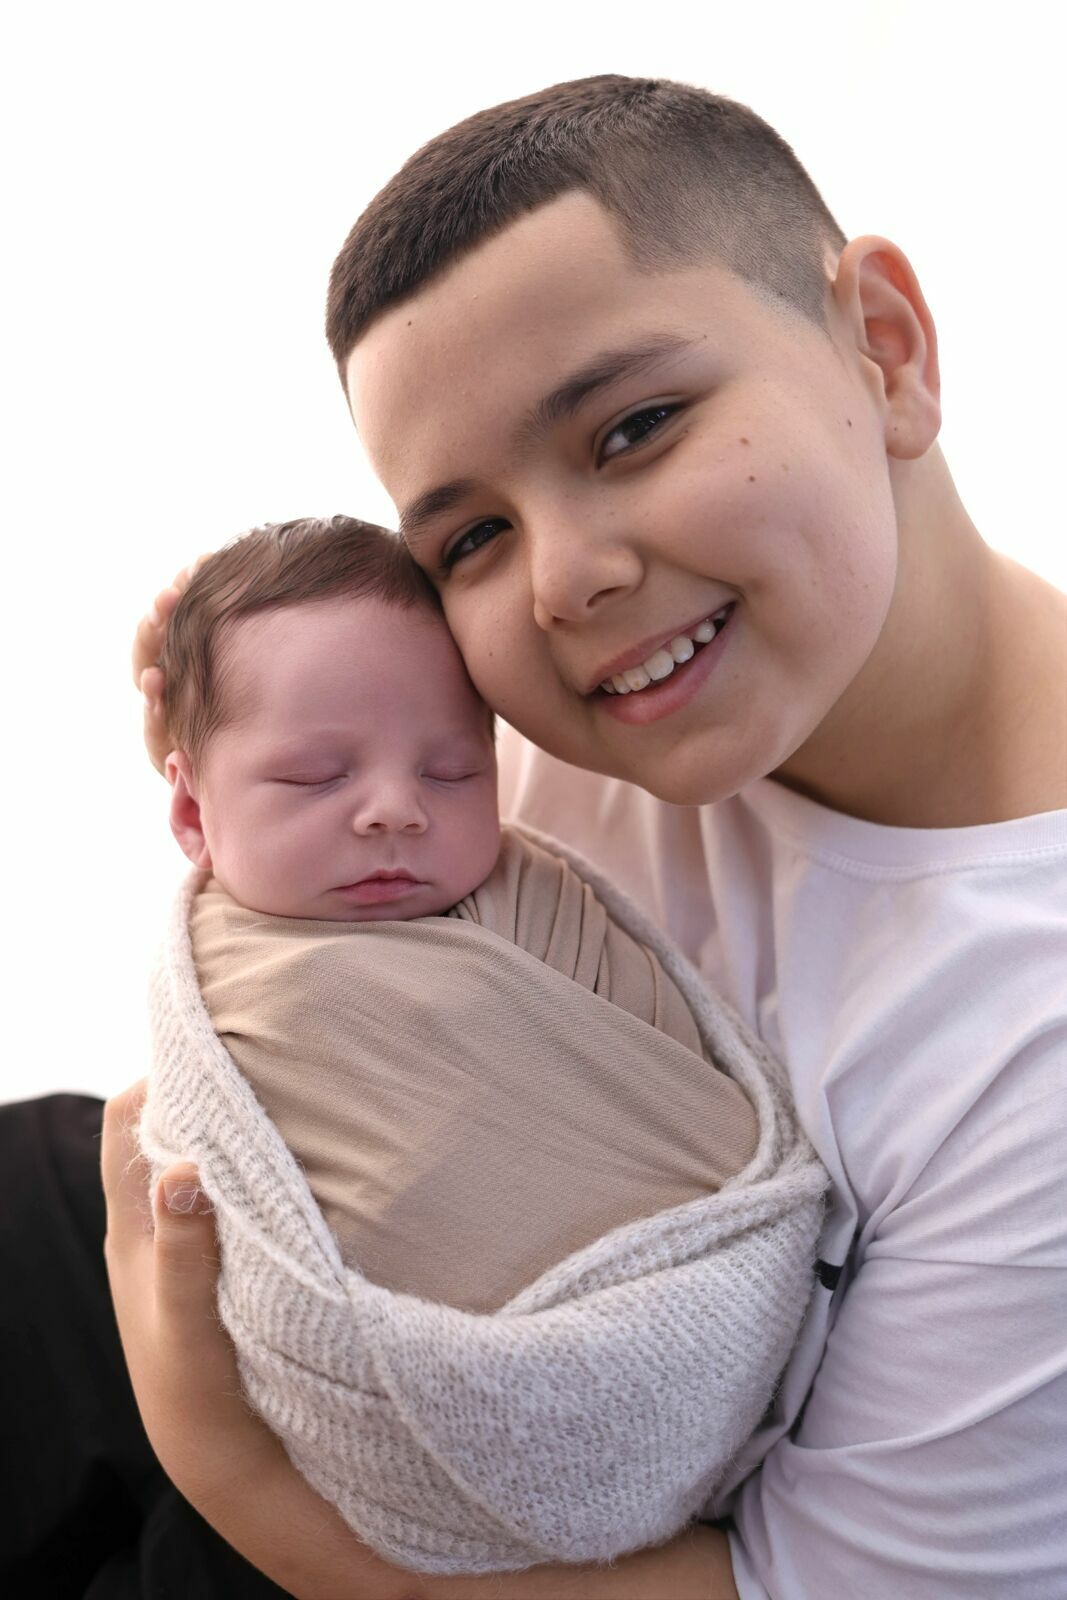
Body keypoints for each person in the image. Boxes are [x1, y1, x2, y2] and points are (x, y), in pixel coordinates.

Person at [9, 70, 1065, 1598]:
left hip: (415, 1506)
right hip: (204, 1210)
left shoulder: (1025, 1039)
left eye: (633, 427)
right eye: (472, 536)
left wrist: (220, 1458)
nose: (563, 582)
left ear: (883, 347)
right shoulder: (627, 675)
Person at [144, 512, 821, 1572]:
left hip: (616, 1354)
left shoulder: (539, 900)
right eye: (316, 776)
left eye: (453, 772)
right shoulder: (236, 958)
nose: (393, 811)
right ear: (188, 813)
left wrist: (211, 1457)